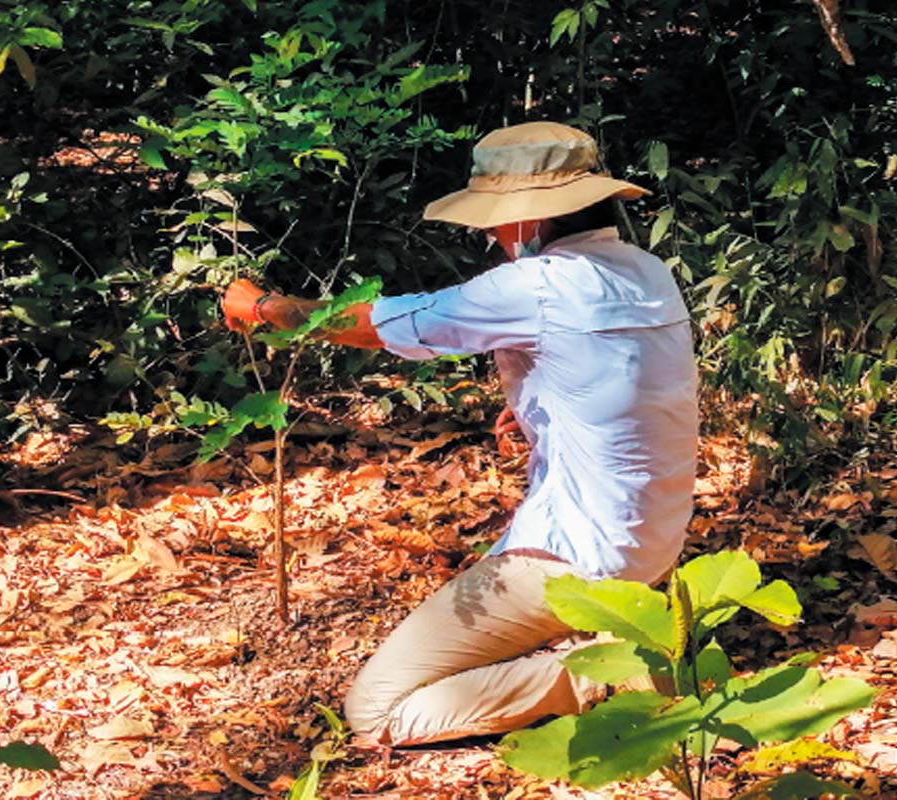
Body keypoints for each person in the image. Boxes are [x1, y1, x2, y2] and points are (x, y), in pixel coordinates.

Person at [221, 121, 699, 747]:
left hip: (575, 557)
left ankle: (603, 676)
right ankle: (617, 640)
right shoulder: (646, 271)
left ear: (528, 220)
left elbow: (380, 323)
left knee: (379, 711)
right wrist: (537, 410)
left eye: (497, 219)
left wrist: (266, 308)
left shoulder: (539, 284)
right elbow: (628, 383)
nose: (490, 234)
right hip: (650, 543)